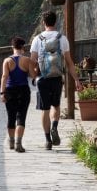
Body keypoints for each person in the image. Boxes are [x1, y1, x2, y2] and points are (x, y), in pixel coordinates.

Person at [30, 11, 79, 150]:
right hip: (57, 78)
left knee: (44, 110)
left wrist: (34, 77)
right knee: (56, 106)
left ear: (44, 23)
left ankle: (47, 141)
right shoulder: (62, 38)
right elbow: (69, 62)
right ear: (55, 22)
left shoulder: (37, 39)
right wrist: (76, 80)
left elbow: (32, 62)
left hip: (42, 78)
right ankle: (54, 126)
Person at [0, 37, 33, 152]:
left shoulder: (7, 61)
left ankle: (12, 141)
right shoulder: (27, 60)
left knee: (11, 116)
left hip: (10, 90)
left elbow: (4, 77)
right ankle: (19, 142)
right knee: (21, 117)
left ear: (12, 47)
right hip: (23, 90)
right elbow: (33, 75)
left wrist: (2, 93)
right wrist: (36, 67)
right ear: (23, 47)